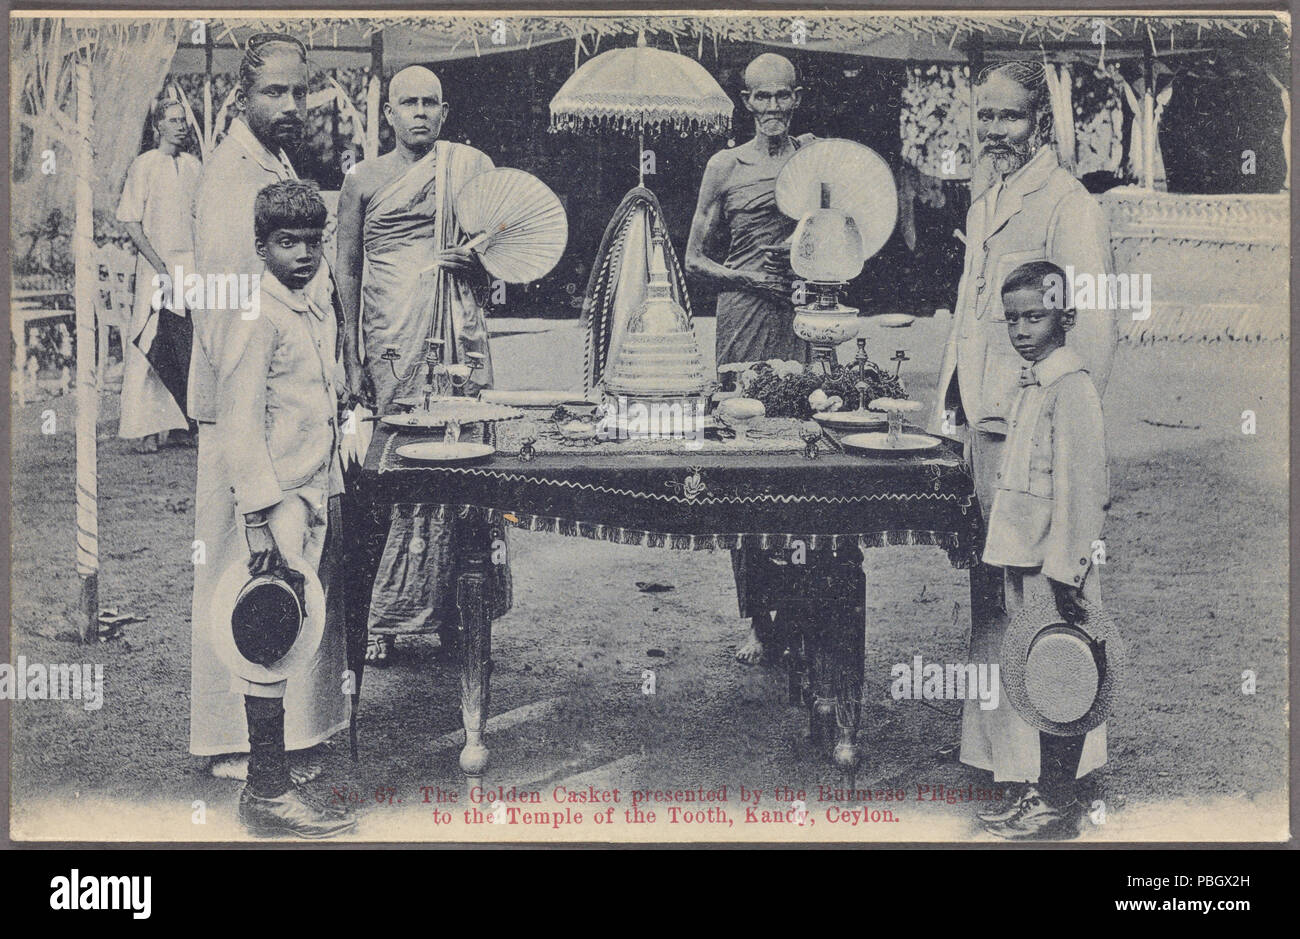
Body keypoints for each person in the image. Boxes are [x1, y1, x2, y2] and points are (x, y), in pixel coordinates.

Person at [925, 61, 1118, 817]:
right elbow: (974, 313)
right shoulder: (987, 198)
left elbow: (1093, 326)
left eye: (1008, 119)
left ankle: (1059, 767)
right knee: (997, 590)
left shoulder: (1068, 203)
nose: (995, 133)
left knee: (1055, 590)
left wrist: (1067, 428)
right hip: (987, 425)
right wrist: (951, 409)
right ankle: (1003, 755)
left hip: (1039, 430)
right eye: (985, 119)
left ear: (1039, 122)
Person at [190, 33, 346, 780]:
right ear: (241, 97)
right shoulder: (229, 176)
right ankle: (232, 740)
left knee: (292, 567)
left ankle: (288, 733)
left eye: (300, 91)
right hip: (246, 404)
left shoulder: (277, 163)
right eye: (275, 94)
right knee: (243, 568)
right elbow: (229, 309)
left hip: (287, 402)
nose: (292, 106)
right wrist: (257, 409)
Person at [336, 65, 503, 663]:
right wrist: (353, 355)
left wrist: (475, 261)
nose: (420, 113)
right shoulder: (362, 180)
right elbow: (347, 270)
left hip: (459, 336)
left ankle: (461, 612)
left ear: (445, 111)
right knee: (392, 468)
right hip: (390, 340)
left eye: (430, 103)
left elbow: (503, 257)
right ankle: (381, 616)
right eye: (408, 103)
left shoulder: (471, 168)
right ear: (389, 113)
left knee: (465, 463)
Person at [221, 180, 354, 838]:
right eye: (286, 242)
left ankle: (268, 784)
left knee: (296, 620)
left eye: (312, 241)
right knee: (269, 624)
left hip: (313, 481)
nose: (302, 254)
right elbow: (238, 423)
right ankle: (266, 789)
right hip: (277, 495)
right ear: (260, 245)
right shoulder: (256, 312)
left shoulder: (311, 300)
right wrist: (256, 518)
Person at [685, 53, 816, 665]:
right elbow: (693, 260)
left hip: (799, 319)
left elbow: (846, 232)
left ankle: (802, 613)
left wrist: (803, 246)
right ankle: (759, 622)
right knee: (743, 460)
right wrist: (746, 275)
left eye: (781, 97)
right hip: (741, 319)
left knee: (802, 455)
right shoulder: (724, 166)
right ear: (745, 101)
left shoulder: (814, 160)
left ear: (797, 98)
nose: (771, 109)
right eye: (760, 98)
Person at [973, 261, 1108, 839]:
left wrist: (1067, 572)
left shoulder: (1070, 387)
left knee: (1064, 678)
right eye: (1012, 319)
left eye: (1035, 316)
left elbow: (1082, 488)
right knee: (1034, 677)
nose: (1022, 329)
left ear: (1066, 318)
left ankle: (1057, 802)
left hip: (1057, 568)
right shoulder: (1032, 382)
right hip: (1025, 558)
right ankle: (1039, 790)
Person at [115, 97, 199, 452]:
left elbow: (201, 218)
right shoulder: (144, 165)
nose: (182, 126)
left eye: (184, 120)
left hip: (191, 264)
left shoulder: (194, 166)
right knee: (150, 341)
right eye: (174, 120)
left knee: (187, 345)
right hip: (155, 266)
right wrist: (160, 267)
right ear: (159, 126)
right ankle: (145, 428)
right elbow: (132, 222)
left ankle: (182, 424)